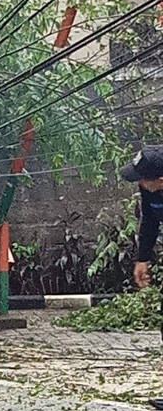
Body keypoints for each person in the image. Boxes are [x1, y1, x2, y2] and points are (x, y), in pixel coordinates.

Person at [121, 145, 163, 410]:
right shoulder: (150, 192)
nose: (138, 184)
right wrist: (142, 258)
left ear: (160, 179)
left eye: (141, 179)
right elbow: (149, 221)